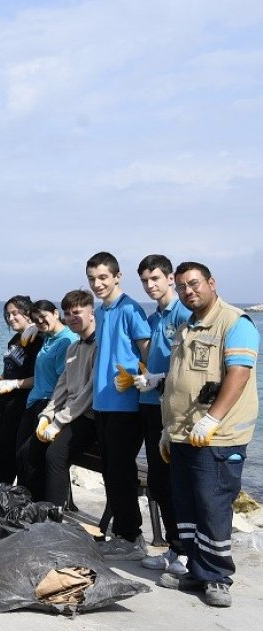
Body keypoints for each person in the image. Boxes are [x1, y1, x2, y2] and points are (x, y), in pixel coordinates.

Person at [156, 261, 258, 608]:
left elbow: (239, 374)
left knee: (213, 506)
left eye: (194, 284)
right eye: (182, 286)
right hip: (184, 434)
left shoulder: (234, 322)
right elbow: (178, 383)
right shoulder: (187, 328)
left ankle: (217, 578)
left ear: (211, 282)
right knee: (187, 506)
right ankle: (197, 570)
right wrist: (168, 430)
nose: (188, 291)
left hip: (218, 437)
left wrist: (212, 419)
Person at [86, 251, 152, 560]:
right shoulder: (100, 311)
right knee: (110, 471)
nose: (97, 284)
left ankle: (132, 537)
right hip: (102, 403)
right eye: (92, 279)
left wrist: (144, 377)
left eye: (102, 277)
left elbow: (147, 350)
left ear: (117, 276)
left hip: (126, 406)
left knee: (122, 472)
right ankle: (123, 533)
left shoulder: (131, 309)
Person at [135, 254, 193, 575]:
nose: (150, 285)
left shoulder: (184, 314)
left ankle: (186, 552)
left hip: (174, 411)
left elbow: (189, 367)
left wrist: (159, 380)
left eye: (155, 278)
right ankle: (173, 547)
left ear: (170, 278)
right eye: (145, 280)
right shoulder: (154, 318)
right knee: (158, 481)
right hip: (149, 408)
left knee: (176, 481)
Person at [25, 290, 99, 506]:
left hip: (87, 415)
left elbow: (89, 392)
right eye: (68, 313)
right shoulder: (74, 346)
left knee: (55, 456)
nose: (71, 318)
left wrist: (58, 422)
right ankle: (33, 508)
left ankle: (54, 516)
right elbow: (62, 386)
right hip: (67, 413)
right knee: (29, 452)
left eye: (77, 312)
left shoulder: (99, 346)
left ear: (92, 313)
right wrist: (47, 415)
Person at [14, 299, 77, 493]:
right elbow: (42, 329)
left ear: (56, 313)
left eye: (44, 317)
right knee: (21, 456)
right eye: (36, 319)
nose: (41, 322)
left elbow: (64, 380)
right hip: (34, 402)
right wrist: (34, 327)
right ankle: (24, 502)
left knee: (31, 457)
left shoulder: (67, 340)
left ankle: (36, 505)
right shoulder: (49, 337)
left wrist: (53, 415)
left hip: (49, 404)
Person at [0, 295, 41, 483]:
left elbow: (41, 378)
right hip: (4, 400)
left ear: (28, 314)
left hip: (21, 403)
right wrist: (3, 379)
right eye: (7, 315)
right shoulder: (14, 339)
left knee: (2, 450)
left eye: (15, 313)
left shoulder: (38, 339)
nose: (10, 318)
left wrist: (13, 383)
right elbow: (14, 367)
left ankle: (2, 491)